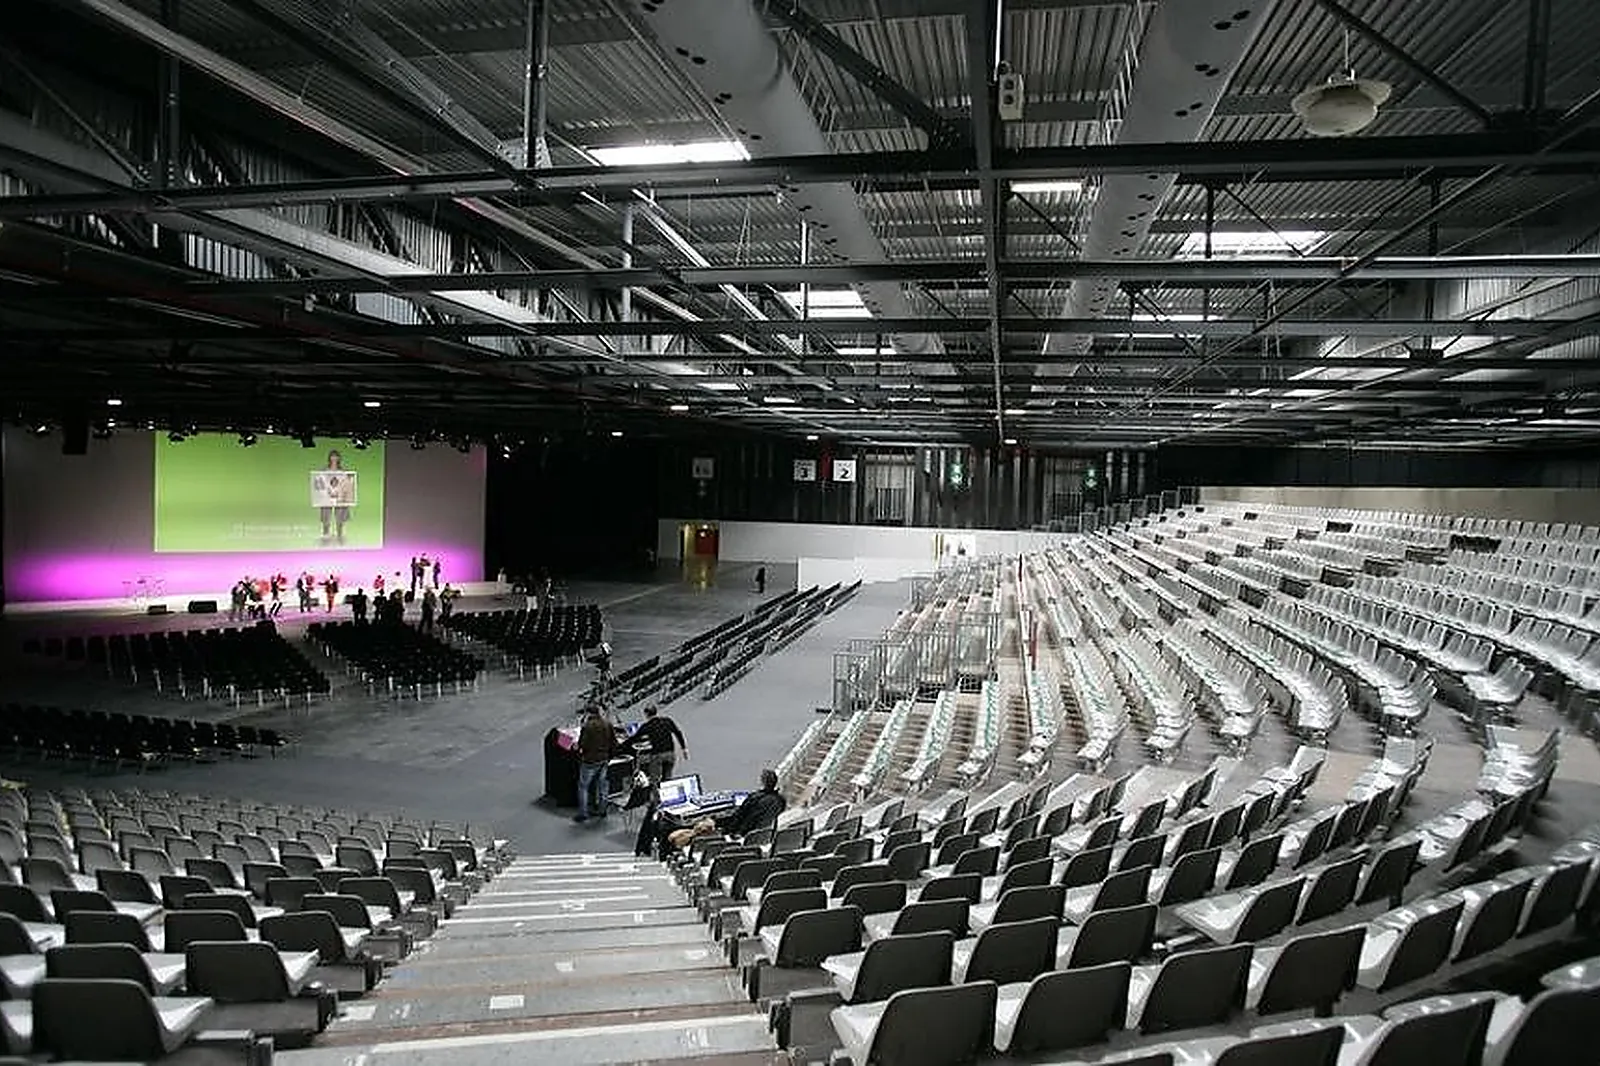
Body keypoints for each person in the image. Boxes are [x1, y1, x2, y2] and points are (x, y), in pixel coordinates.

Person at [643, 769, 785, 858]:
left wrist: (715, 821)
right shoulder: (779, 801)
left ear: (762, 781)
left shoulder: (754, 798)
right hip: (754, 838)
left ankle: (666, 857)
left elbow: (737, 819)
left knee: (674, 831)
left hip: (734, 835)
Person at [574, 708, 618, 823]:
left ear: (589, 714)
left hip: (590, 761)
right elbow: (614, 742)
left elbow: (582, 744)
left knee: (583, 786)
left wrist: (578, 748)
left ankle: (583, 813)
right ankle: (602, 810)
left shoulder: (587, 726)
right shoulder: (607, 724)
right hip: (604, 759)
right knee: (603, 786)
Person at [631, 705, 688, 789]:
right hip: (670, 753)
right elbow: (678, 733)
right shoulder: (667, 721)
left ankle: (656, 798)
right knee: (667, 778)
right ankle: (667, 795)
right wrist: (684, 748)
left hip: (657, 755)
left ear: (646, 714)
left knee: (655, 779)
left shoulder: (647, 726)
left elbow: (635, 738)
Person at [315, 449, 355, 544]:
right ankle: (326, 535)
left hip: (339, 497)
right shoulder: (325, 470)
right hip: (327, 497)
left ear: (339, 458)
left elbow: (347, 484)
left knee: (340, 517)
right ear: (329, 458)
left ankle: (340, 535)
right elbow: (320, 482)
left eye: (336, 456)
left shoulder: (342, 471)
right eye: (332, 456)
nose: (334, 458)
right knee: (326, 517)